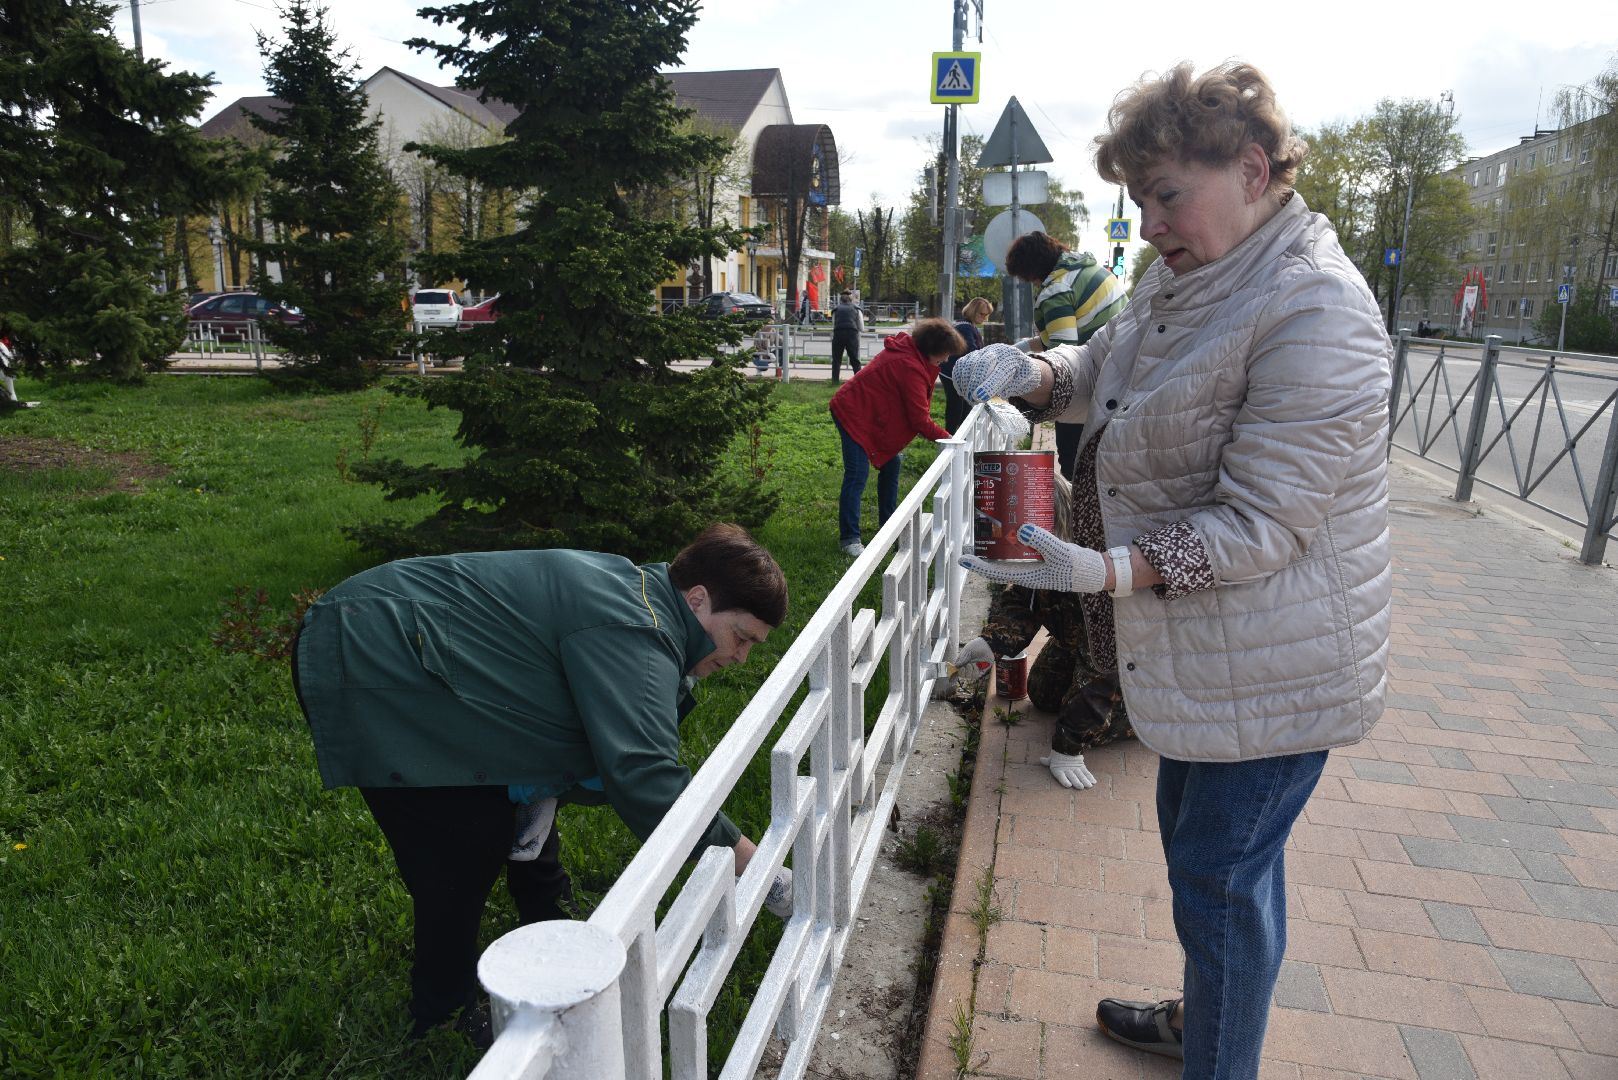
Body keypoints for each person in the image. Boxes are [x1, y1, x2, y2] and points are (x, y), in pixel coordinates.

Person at [950, 61, 1392, 1079]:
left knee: (1219, 878)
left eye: (1164, 196)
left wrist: (1100, 573)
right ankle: (1208, 1017)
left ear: (1249, 169)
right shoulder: (1191, 271)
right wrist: (1038, 370)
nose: (1147, 224)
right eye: (1138, 199)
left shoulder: (1313, 310)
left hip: (1276, 662)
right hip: (1202, 652)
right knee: (1220, 873)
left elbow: (1261, 525)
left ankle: (1217, 1054)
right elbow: (1109, 360)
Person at [290, 524, 793, 1045]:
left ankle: (545, 915)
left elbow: (565, 731)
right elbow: (645, 776)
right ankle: (442, 1008)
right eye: (741, 637)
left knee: (515, 801)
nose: (741, 658)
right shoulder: (637, 629)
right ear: (698, 599)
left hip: (410, 639)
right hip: (373, 651)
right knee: (464, 837)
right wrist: (760, 872)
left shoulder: (644, 599)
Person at [949, 474, 1134, 787]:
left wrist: (1069, 746)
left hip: (1130, 654)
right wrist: (991, 643)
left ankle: (1143, 716)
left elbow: (1104, 663)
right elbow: (1024, 600)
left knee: (1089, 721)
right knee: (1044, 694)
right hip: (1075, 639)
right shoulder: (1043, 552)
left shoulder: (1097, 558)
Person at [828, 317, 964, 557]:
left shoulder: (914, 357)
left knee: (893, 463)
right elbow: (919, 419)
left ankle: (888, 527)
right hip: (852, 413)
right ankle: (849, 538)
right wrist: (951, 440)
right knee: (857, 474)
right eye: (944, 354)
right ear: (931, 348)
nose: (946, 359)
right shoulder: (909, 365)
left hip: (867, 412)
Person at [1003, 231, 1127, 480]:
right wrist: (1022, 349)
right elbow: (1070, 332)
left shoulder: (1056, 290)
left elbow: (1063, 356)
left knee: (1076, 470)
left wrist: (1023, 375)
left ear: (1030, 269)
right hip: (1125, 382)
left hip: (1091, 393)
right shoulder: (1090, 271)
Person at [939, 297, 993, 432]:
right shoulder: (966, 327)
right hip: (951, 373)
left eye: (987, 315)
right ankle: (951, 437)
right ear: (973, 311)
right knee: (956, 406)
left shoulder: (966, 325)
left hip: (954, 372)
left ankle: (958, 436)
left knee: (963, 406)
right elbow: (972, 351)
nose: (985, 318)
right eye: (982, 314)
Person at [830, 290, 865, 383]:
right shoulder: (857, 309)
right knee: (855, 360)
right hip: (852, 335)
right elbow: (861, 327)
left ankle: (835, 381)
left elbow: (834, 324)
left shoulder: (836, 310)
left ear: (841, 299)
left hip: (838, 335)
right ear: (851, 299)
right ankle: (858, 381)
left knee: (836, 359)